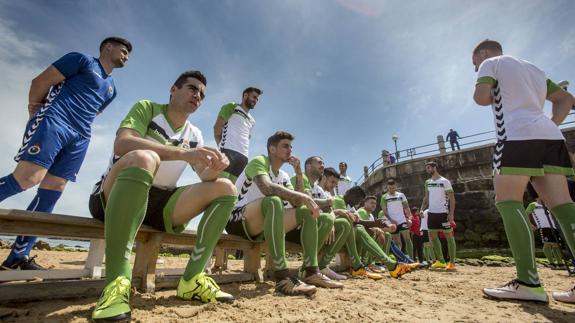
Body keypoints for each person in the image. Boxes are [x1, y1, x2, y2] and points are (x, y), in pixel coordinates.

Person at [89, 71, 239, 321]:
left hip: (159, 203)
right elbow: (123, 144)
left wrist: (216, 168)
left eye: (201, 94)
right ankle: (116, 284)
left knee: (226, 188)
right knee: (144, 158)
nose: (197, 95)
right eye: (192, 88)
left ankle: (192, 280)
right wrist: (181, 154)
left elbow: (204, 177)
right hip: (115, 192)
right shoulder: (147, 108)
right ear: (173, 89)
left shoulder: (195, 135)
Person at [0, 37, 132, 271]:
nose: (126, 56)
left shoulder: (112, 89)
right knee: (27, 179)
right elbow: (41, 81)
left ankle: (17, 258)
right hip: (55, 121)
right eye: (123, 51)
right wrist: (35, 108)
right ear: (107, 47)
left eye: (128, 54)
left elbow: (95, 112)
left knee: (53, 190)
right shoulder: (81, 60)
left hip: (81, 136)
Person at [471, 39, 575, 303]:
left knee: (508, 202)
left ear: (483, 53)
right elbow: (565, 99)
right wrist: (549, 124)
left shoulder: (490, 63)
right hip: (550, 138)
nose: (475, 69)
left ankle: (529, 281)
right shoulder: (534, 69)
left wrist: (486, 84)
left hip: (516, 137)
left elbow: (481, 98)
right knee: (563, 207)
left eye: (474, 64)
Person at [225, 131, 338, 295]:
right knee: (274, 201)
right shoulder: (260, 161)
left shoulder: (284, 175)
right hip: (238, 219)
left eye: (291, 146)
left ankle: (310, 271)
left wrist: (299, 173)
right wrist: (304, 197)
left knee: (306, 212)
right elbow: (267, 188)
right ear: (272, 149)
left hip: (264, 223)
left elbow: (297, 203)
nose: (290, 150)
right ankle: (283, 277)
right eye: (285, 146)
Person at [213, 87, 262, 183]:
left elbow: (247, 137)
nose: (255, 100)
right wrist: (221, 147)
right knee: (219, 186)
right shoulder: (232, 106)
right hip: (227, 152)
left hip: (243, 158)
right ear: (245, 95)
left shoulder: (252, 120)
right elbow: (217, 128)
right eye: (254, 97)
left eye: (257, 99)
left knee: (231, 190)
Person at [419, 161, 457, 272]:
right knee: (433, 237)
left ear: (435, 167)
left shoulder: (445, 181)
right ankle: (440, 261)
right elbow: (426, 198)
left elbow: (452, 199)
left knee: (449, 237)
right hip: (431, 213)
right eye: (426, 168)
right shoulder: (427, 182)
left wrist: (451, 214)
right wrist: (421, 209)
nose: (427, 169)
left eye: (429, 167)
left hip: (443, 213)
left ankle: (452, 263)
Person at [380, 178, 414, 259]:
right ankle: (399, 259)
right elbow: (384, 211)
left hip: (402, 220)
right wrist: (391, 220)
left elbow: (406, 207)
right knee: (396, 241)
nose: (391, 189)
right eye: (390, 188)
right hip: (392, 222)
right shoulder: (384, 197)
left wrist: (409, 218)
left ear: (396, 187)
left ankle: (412, 259)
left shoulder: (401, 195)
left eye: (393, 188)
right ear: (387, 187)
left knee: (407, 238)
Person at [526, 198, 564, 269]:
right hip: (543, 226)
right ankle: (551, 263)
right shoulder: (533, 204)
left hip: (554, 226)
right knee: (547, 244)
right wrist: (531, 224)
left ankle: (560, 263)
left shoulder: (549, 204)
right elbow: (527, 213)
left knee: (556, 245)